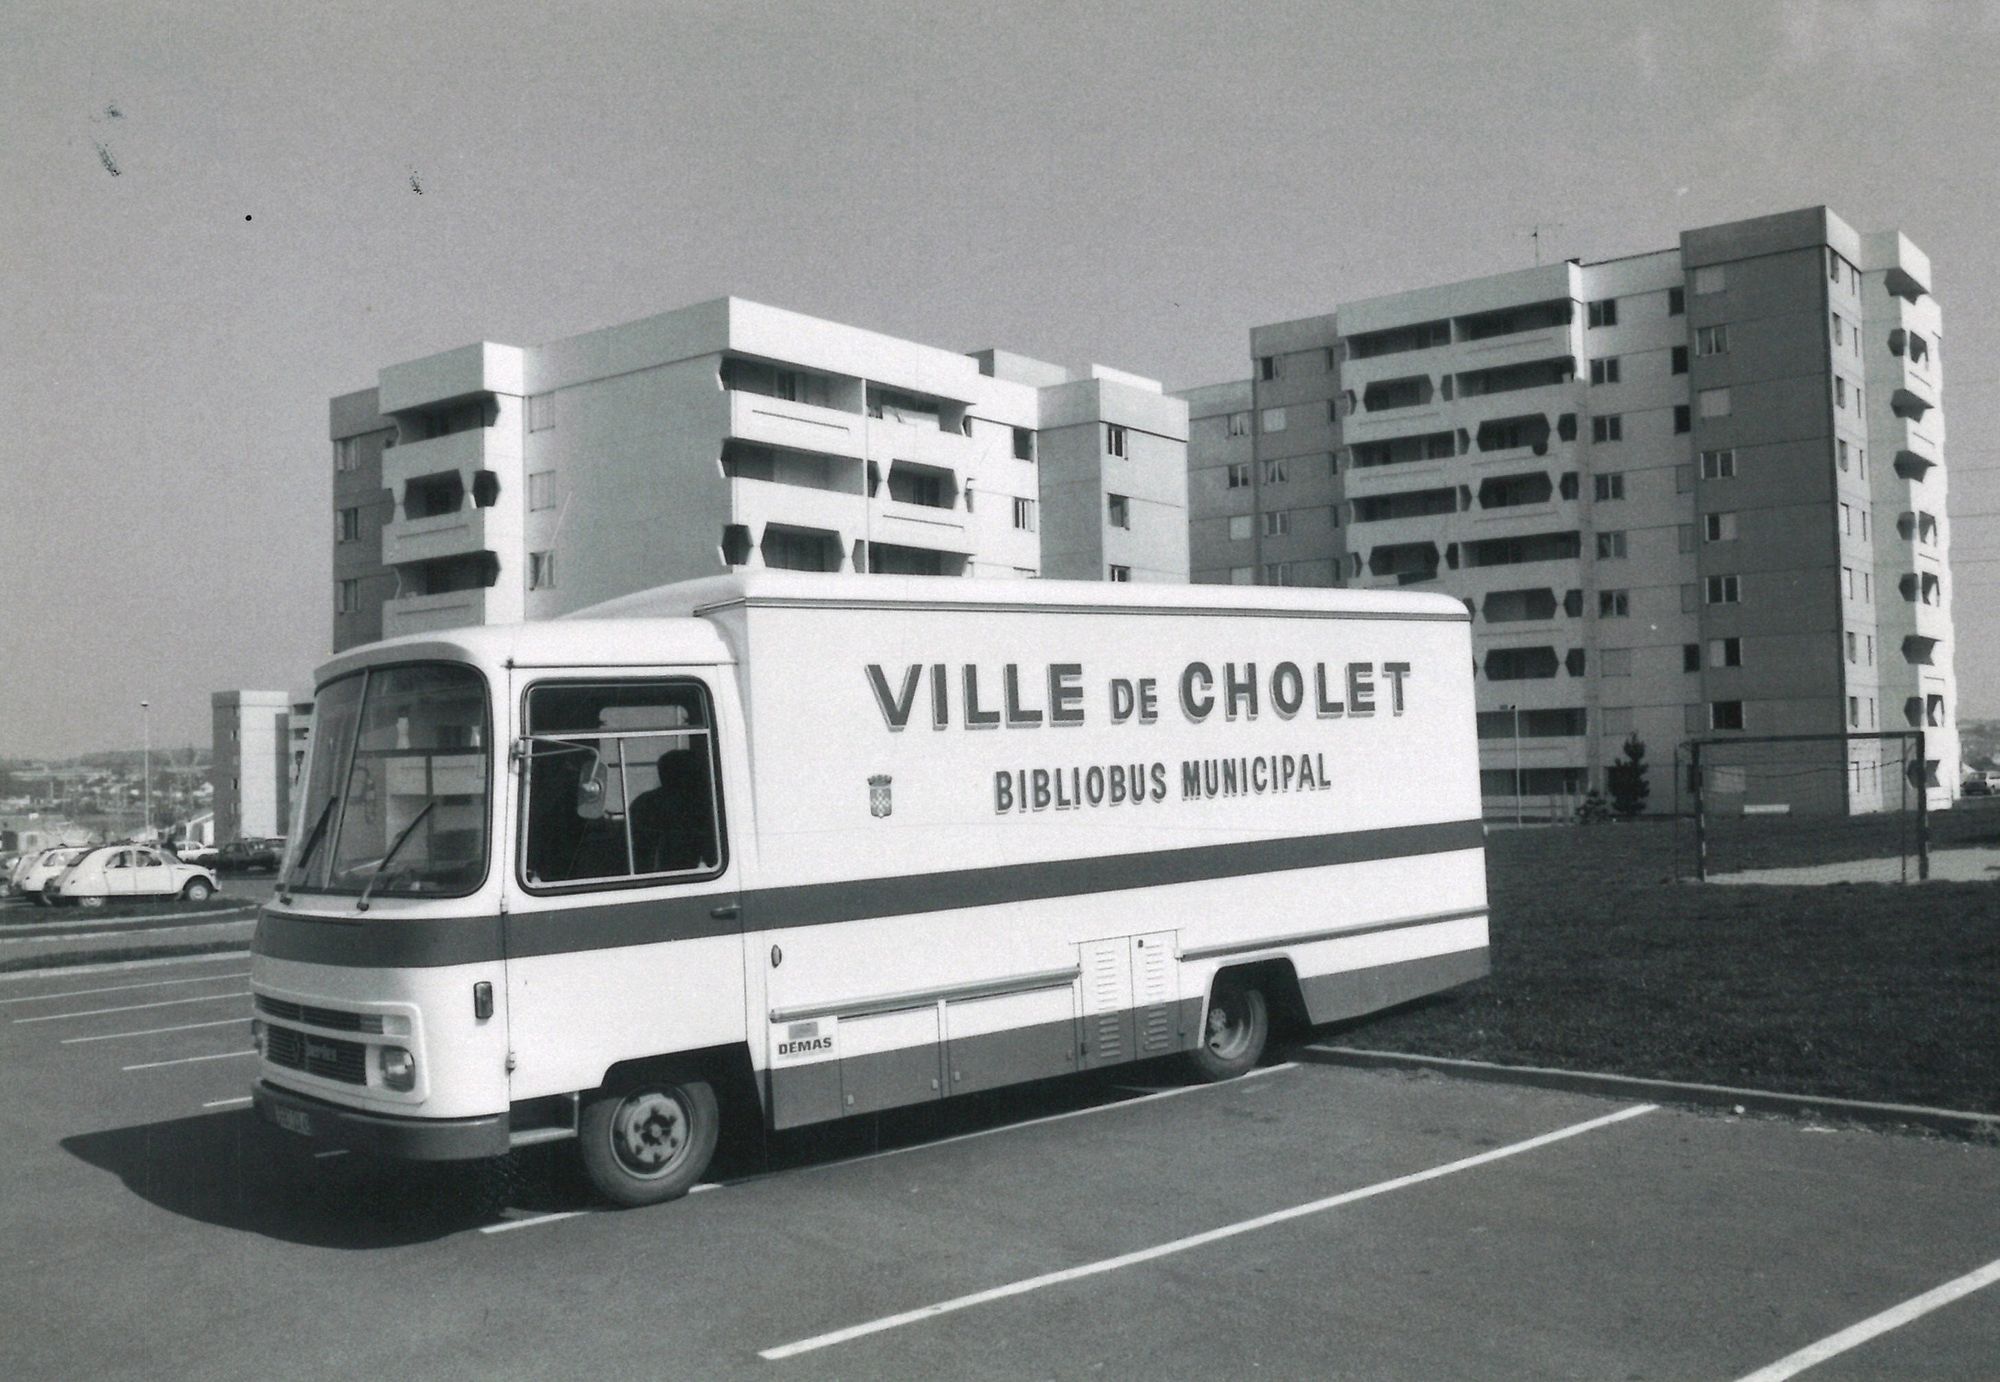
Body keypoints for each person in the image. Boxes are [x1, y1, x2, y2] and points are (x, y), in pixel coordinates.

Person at [628, 748, 714, 874]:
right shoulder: (700, 805)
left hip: (649, 871)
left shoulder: (643, 802)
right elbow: (711, 856)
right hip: (679, 870)